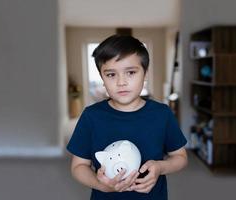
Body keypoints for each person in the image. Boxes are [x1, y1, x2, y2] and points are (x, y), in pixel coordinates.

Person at [67, 34, 188, 200]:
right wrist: (100, 184)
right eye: (111, 75)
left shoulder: (162, 114)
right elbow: (78, 166)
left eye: (130, 72)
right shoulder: (91, 116)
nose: (121, 82)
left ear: (145, 74)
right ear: (102, 78)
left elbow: (180, 157)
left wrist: (160, 167)